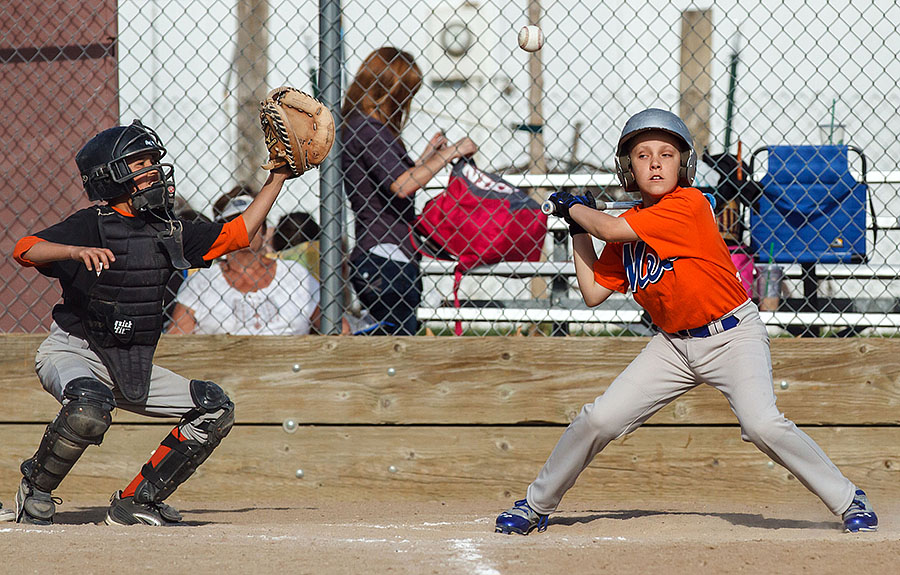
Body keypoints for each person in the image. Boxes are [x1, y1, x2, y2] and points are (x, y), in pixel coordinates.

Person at [494, 108, 878, 535]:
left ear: (684, 165)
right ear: (628, 169)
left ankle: (847, 499)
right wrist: (576, 224)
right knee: (598, 419)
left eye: (666, 154)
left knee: (761, 423)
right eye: (642, 155)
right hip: (673, 347)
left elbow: (612, 229)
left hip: (732, 335)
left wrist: (580, 209)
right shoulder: (629, 223)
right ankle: (535, 504)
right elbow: (593, 292)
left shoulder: (687, 205)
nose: (655, 162)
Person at [9, 119, 294, 525]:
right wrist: (73, 251)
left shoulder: (169, 231)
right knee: (89, 409)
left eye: (152, 162)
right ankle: (35, 489)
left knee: (214, 409)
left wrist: (277, 178)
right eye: (140, 163)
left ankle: (137, 501)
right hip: (73, 351)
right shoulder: (92, 224)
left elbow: (239, 234)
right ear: (111, 177)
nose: (153, 171)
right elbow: (25, 249)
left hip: (130, 362)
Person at [342, 46, 477, 335]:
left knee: (388, 339)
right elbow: (403, 185)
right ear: (391, 91)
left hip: (382, 254)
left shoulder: (359, 127)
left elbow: (386, 181)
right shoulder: (369, 129)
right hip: (385, 255)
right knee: (396, 345)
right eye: (406, 93)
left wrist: (427, 157)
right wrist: (451, 153)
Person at [167, 196, 332, 335]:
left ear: (264, 229)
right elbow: (177, 338)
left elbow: (336, 327)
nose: (247, 228)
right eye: (237, 222)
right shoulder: (202, 280)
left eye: (254, 221)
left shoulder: (295, 274)